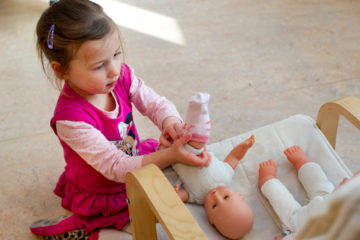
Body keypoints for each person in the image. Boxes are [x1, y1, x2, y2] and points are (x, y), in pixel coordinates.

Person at [30, 1, 210, 239]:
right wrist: (167, 156)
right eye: (99, 65)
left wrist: (170, 121)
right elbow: (115, 168)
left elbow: (155, 103)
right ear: (62, 70)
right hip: (104, 187)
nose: (114, 69)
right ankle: (77, 227)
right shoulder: (70, 120)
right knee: (127, 226)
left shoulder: (121, 76)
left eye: (115, 54)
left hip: (132, 158)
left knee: (185, 172)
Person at [171, 92, 254, 239]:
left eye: (214, 206)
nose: (216, 196)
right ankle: (198, 110)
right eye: (226, 197)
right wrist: (244, 146)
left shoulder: (197, 197)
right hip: (194, 146)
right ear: (239, 195)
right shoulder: (226, 176)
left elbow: (180, 197)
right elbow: (234, 158)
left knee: (197, 138)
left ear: (210, 219)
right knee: (199, 141)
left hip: (173, 154)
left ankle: (198, 113)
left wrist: (174, 194)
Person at [258, 145, 360, 240]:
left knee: (290, 213)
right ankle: (302, 162)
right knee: (320, 182)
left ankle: (268, 181)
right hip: (329, 198)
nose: (345, 179)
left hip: (316, 226)